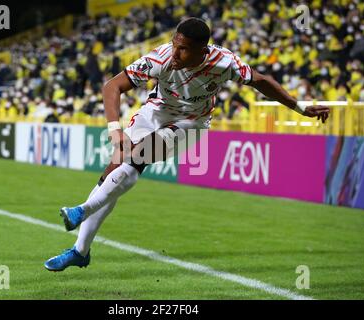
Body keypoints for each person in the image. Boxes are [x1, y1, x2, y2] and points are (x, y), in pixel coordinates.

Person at [44, 17, 330, 271]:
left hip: (191, 122)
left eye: (184, 48)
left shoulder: (224, 62)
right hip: (155, 112)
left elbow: (261, 81)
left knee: (137, 157)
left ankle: (82, 210)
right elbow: (112, 86)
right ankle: (80, 251)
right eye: (174, 44)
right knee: (113, 169)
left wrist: (300, 107)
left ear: (202, 51)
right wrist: (114, 129)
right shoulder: (161, 57)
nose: (176, 53)